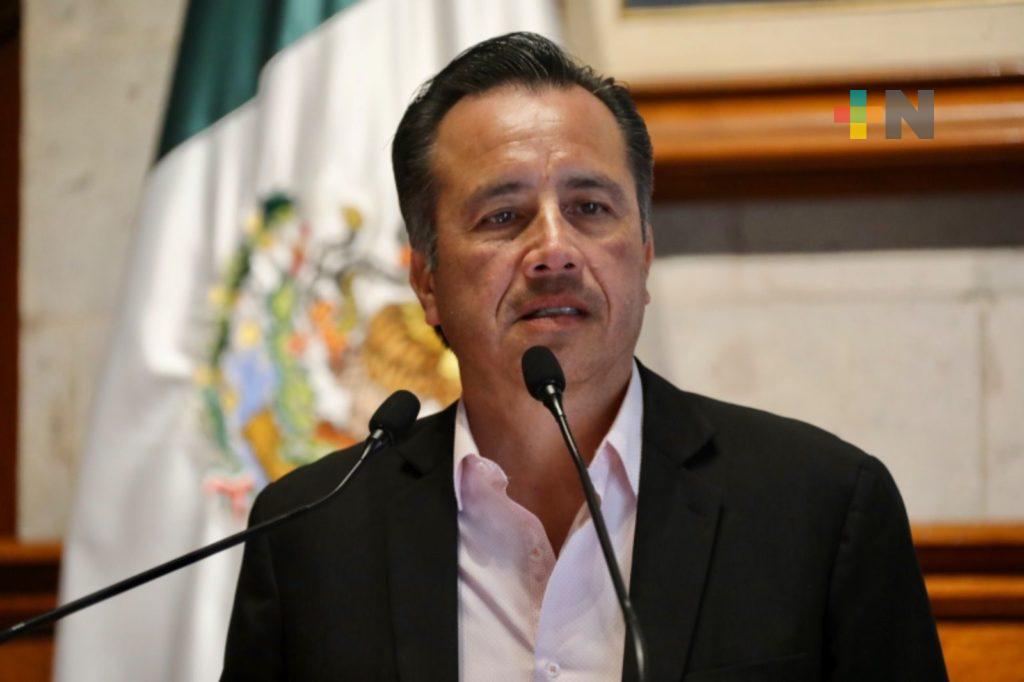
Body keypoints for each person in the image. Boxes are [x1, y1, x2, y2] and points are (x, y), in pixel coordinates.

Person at [222, 32, 947, 681]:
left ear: (645, 254)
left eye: (591, 208)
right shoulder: (310, 537)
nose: (555, 251)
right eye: (503, 216)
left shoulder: (821, 509)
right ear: (428, 282)